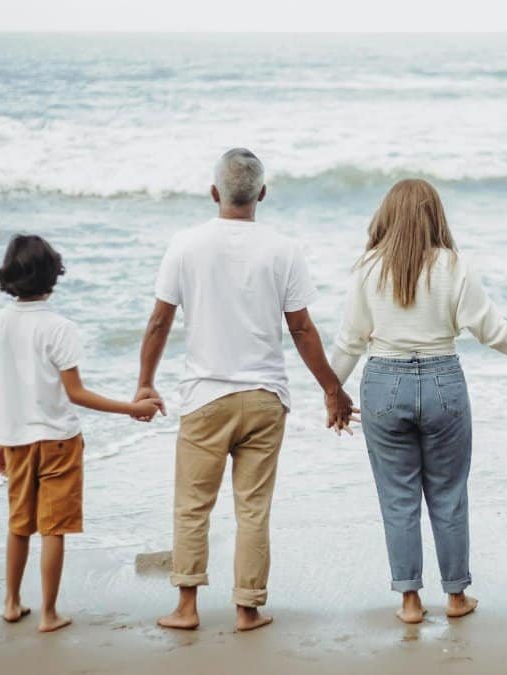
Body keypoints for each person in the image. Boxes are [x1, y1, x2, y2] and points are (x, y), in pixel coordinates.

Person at [135, 148, 355, 632]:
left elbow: (158, 321)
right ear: (262, 194)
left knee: (193, 505)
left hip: (205, 397)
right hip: (264, 397)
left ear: (214, 192)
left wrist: (145, 383)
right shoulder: (283, 248)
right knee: (253, 508)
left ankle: (187, 608)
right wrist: (332, 389)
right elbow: (301, 329)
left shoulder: (185, 244)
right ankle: (248, 608)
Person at [329, 178, 507, 624]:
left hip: (383, 382)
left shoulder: (367, 267)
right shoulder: (453, 265)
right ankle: (457, 598)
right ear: (435, 215)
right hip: (443, 382)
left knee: (398, 498)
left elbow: (349, 341)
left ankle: (410, 602)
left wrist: (331, 393)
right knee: (449, 495)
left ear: (387, 215)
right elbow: (494, 332)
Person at [0, 234, 163, 633]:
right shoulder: (59, 327)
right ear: (53, 275)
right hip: (58, 441)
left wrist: (0, 438)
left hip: (15, 440)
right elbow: (75, 393)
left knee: (18, 524)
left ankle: (11, 603)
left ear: (9, 275)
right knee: (53, 528)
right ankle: (48, 613)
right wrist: (133, 408)